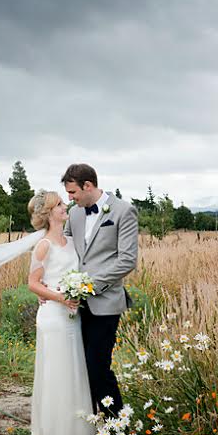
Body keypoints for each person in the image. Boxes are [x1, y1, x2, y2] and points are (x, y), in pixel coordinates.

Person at [0, 190, 95, 435]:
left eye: (64, 203)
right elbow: (33, 283)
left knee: (75, 372)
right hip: (53, 316)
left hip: (73, 316)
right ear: (49, 213)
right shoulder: (43, 245)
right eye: (60, 204)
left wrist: (78, 293)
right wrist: (61, 297)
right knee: (56, 373)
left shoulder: (73, 242)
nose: (65, 207)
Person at [62, 163, 139, 417]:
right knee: (79, 367)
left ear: (88, 185)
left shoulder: (123, 211)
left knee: (98, 366)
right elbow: (64, 251)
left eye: (73, 192)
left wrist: (90, 285)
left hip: (105, 302)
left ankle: (118, 430)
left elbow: (127, 260)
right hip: (73, 302)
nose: (69, 198)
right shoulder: (74, 214)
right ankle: (91, 425)